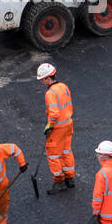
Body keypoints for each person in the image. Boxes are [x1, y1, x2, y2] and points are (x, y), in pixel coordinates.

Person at [37, 62, 75, 193]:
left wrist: (49, 127)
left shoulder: (50, 93)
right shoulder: (63, 86)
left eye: (42, 79)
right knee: (66, 151)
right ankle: (70, 178)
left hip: (58, 128)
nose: (41, 82)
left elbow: (54, 113)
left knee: (53, 155)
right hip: (68, 124)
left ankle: (59, 182)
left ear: (47, 78)